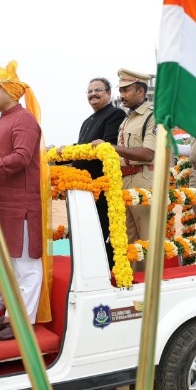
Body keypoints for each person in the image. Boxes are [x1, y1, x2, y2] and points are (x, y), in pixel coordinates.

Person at [0, 61, 47, 341]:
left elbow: (21, 158)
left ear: (11, 90)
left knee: (27, 268)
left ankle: (24, 322)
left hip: (21, 208)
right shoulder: (4, 120)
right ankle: (10, 315)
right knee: (8, 266)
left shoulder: (24, 119)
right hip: (2, 206)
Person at [74, 76, 125, 262]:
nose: (93, 94)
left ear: (109, 93)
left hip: (103, 187)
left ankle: (106, 269)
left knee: (101, 232)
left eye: (97, 90)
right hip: (85, 189)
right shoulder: (87, 121)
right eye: (89, 91)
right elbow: (81, 150)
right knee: (87, 233)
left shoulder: (115, 114)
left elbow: (108, 146)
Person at [110, 69, 157, 271]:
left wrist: (112, 148)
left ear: (140, 91)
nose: (121, 95)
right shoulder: (128, 119)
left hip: (143, 181)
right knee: (130, 242)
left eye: (126, 90)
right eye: (120, 90)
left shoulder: (153, 116)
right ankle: (136, 284)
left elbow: (148, 153)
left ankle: (152, 284)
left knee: (148, 240)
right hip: (125, 182)